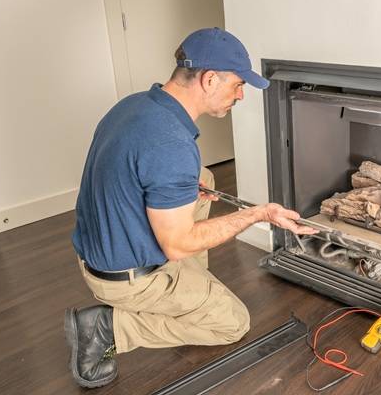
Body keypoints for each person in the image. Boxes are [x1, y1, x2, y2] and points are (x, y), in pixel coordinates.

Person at [65, 27, 317, 388]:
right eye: (238, 84)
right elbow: (178, 245)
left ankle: (189, 286)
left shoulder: (137, 105)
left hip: (96, 249)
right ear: (210, 79)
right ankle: (107, 327)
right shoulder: (171, 144)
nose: (241, 95)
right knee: (232, 323)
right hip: (126, 279)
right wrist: (259, 213)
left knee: (203, 179)